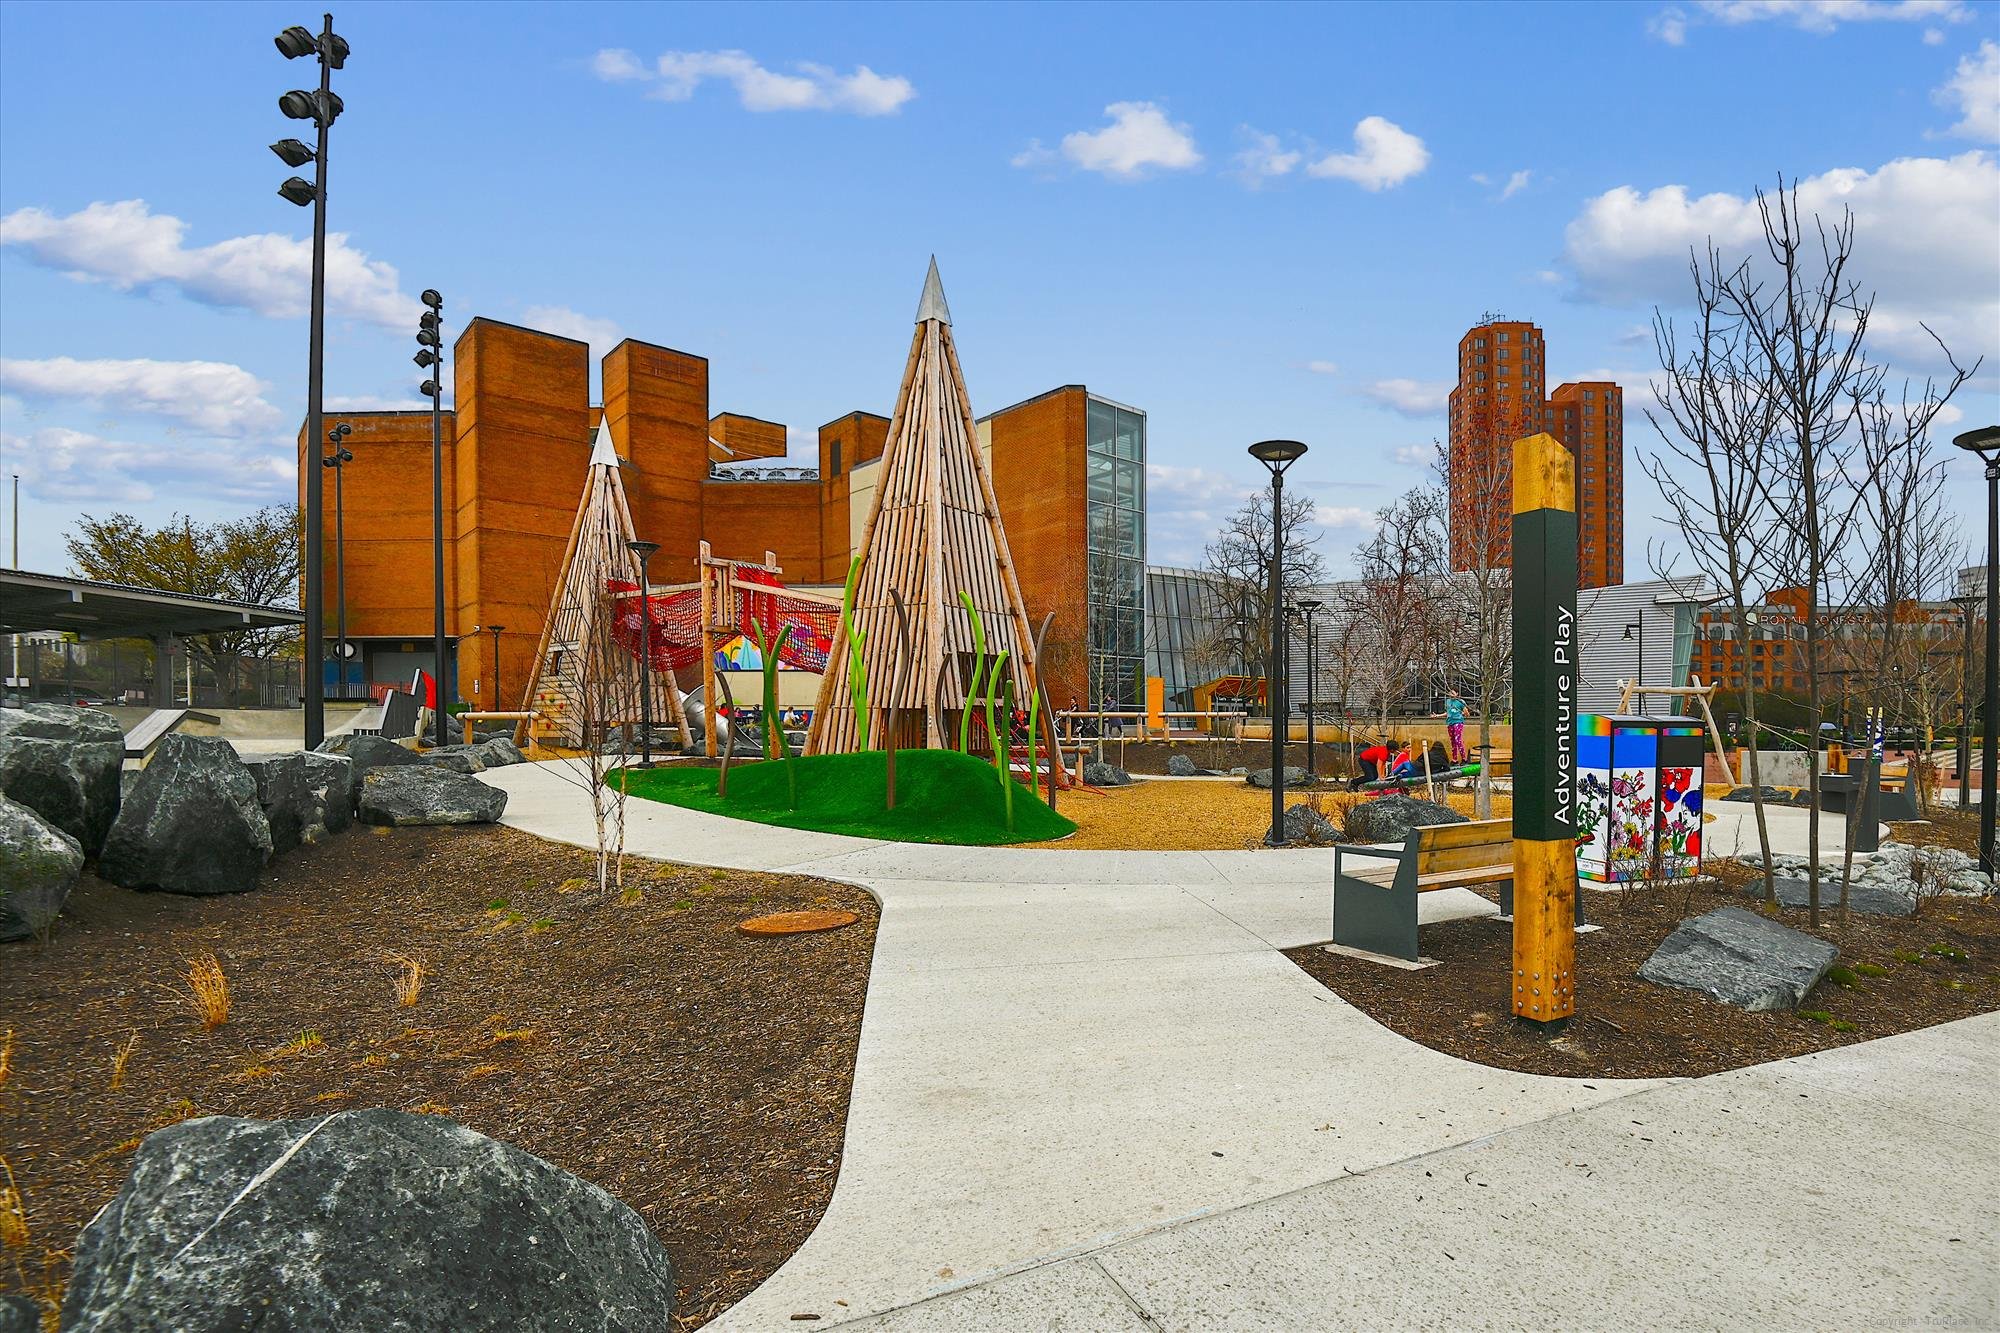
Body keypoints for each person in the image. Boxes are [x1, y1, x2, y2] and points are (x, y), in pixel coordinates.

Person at [1445, 690, 1467, 764]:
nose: (1451, 695)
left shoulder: (1460, 702)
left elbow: (1467, 713)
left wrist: (1462, 712)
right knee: (1453, 741)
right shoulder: (1448, 701)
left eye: (1453, 693)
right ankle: (1455, 759)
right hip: (1450, 722)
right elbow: (1448, 712)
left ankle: (1464, 758)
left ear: (1457, 693)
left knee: (1458, 740)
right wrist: (1437, 715)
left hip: (1458, 721)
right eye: (1450, 693)